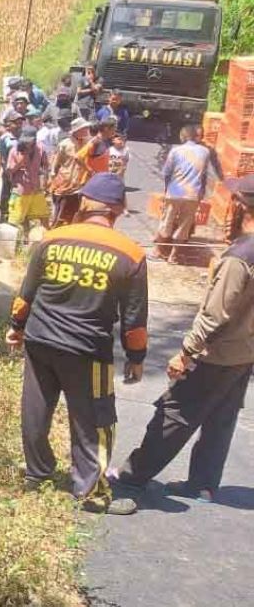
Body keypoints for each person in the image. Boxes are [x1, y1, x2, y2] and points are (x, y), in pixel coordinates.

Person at [7, 172, 148, 516]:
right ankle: (91, 493)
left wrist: (16, 327)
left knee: (36, 409)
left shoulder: (53, 239)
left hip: (40, 340)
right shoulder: (129, 253)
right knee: (94, 420)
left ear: (85, 203)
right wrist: (136, 357)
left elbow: (26, 293)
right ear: (120, 208)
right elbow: (135, 318)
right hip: (88, 351)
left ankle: (37, 475)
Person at [111, 175, 254, 503]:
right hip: (243, 353)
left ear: (241, 206)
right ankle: (202, 484)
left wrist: (186, 352)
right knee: (221, 417)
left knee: (175, 411)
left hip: (216, 354)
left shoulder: (239, 257)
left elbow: (216, 314)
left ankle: (133, 475)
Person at [152, 125, 211, 263]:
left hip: (175, 192)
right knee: (185, 225)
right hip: (193, 194)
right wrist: (201, 192)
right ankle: (174, 255)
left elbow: (167, 172)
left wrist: (167, 189)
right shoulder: (205, 152)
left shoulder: (176, 151)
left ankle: (159, 251)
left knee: (167, 221)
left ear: (183, 137)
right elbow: (204, 175)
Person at [49, 118, 108, 227]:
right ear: (77, 130)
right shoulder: (64, 144)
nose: (86, 131)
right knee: (60, 215)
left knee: (75, 214)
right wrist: (52, 176)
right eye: (84, 129)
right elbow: (55, 163)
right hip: (65, 183)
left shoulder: (88, 142)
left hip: (80, 184)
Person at [6, 125, 50, 238]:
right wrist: (20, 163)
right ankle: (24, 239)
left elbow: (45, 165)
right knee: (18, 218)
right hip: (21, 189)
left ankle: (46, 238)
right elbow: (9, 170)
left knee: (44, 215)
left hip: (35, 188)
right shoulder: (15, 151)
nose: (27, 144)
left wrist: (45, 179)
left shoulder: (40, 148)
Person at [0, 112, 26, 222]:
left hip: (21, 172)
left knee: (19, 194)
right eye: (16, 123)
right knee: (6, 193)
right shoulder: (5, 138)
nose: (19, 125)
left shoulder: (24, 137)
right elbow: (0, 153)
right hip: (8, 171)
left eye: (20, 123)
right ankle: (4, 217)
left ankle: (18, 217)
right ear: (9, 124)